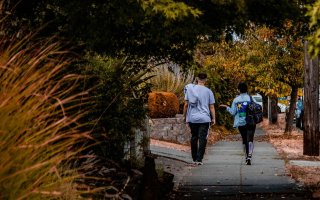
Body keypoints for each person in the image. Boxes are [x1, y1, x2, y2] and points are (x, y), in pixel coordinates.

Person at [219, 82, 256, 165]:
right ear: (247, 89)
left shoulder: (236, 100)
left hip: (241, 123)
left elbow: (233, 112)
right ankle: (249, 156)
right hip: (251, 122)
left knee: (244, 139)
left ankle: (246, 157)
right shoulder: (251, 99)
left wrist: (226, 107)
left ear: (239, 89)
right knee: (250, 139)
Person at [183, 72, 216, 165]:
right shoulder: (209, 91)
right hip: (205, 118)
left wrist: (184, 116)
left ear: (197, 79)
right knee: (202, 138)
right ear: (206, 80)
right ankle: (199, 159)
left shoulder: (190, 90)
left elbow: (186, 104)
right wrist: (214, 118)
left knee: (194, 137)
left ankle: (194, 158)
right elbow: (212, 107)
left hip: (192, 118)